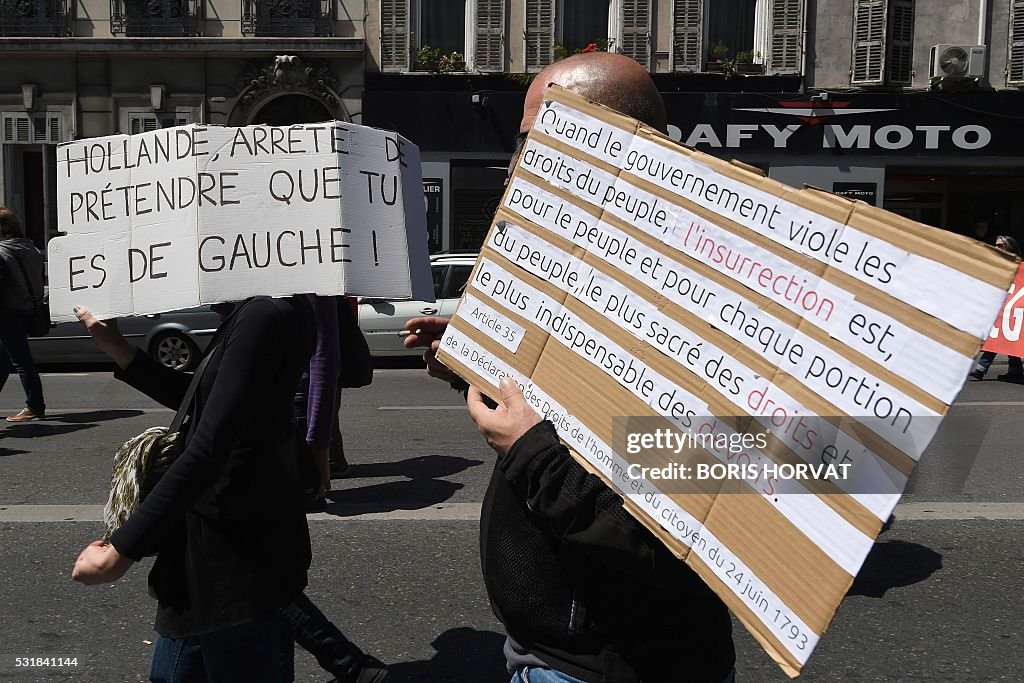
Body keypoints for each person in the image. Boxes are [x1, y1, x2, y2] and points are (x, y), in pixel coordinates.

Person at [404, 52, 735, 683]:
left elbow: (677, 545)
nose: (516, 164)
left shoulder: (693, 296)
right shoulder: (583, 266)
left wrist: (530, 452)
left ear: (613, 142)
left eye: (535, 141)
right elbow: (565, 401)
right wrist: (473, 354)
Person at [71, 296, 316, 682]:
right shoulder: (264, 308)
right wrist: (118, 348)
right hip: (220, 554)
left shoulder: (262, 313)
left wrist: (121, 550)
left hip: (232, 555)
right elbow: (210, 402)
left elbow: (209, 444)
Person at [0, 206, 46, 422]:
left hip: (8, 312)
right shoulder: (31, 249)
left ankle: (35, 406)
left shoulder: (2, 252)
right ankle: (35, 405)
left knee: (21, 361)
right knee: (4, 359)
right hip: (27, 309)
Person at [971, 235, 1024, 383]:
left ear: (1010, 247)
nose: (997, 248)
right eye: (996, 245)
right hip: (1000, 305)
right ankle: (1016, 370)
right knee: (1002, 336)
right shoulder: (995, 264)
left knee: (1001, 334)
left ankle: (982, 367)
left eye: (1001, 245)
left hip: (1014, 307)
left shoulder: (1019, 266)